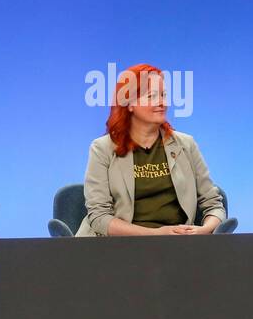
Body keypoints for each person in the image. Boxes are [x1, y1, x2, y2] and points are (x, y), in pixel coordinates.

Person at [77, 63, 226, 237]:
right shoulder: (102, 149)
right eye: (151, 96)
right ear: (129, 104)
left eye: (163, 95)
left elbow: (214, 204)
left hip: (177, 247)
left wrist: (203, 230)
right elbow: (99, 218)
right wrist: (155, 234)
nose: (162, 102)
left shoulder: (186, 145)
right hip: (119, 247)